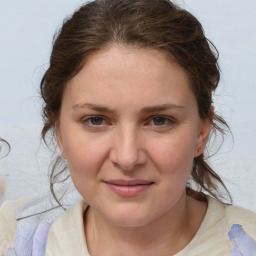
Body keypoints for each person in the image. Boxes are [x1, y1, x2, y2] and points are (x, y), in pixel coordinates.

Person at [0, 0, 256, 255]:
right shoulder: (13, 237)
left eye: (159, 120)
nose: (127, 158)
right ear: (59, 133)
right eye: (96, 120)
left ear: (202, 132)